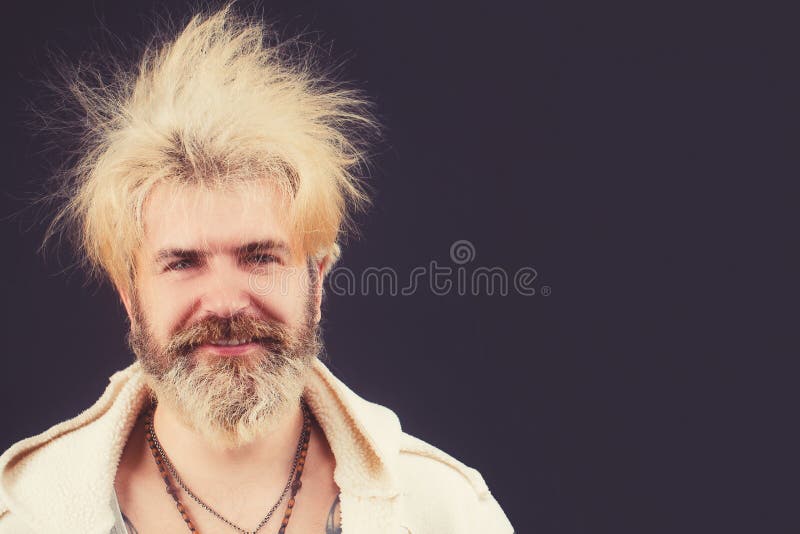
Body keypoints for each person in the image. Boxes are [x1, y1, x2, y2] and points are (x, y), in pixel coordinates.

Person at [0, 6, 513, 534]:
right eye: (183, 263)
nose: (224, 300)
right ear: (130, 296)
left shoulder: (444, 509)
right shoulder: (23, 513)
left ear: (316, 281)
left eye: (260, 257)